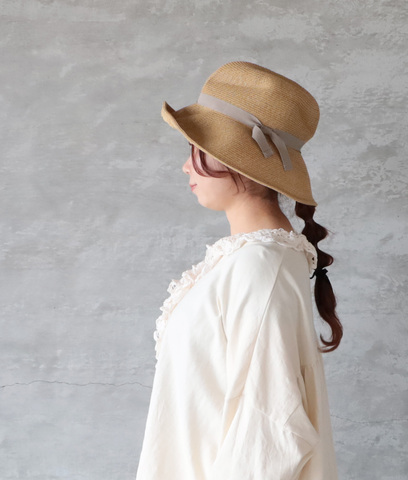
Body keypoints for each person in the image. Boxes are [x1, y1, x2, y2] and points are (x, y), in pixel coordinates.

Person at [136, 61, 342, 480]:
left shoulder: (259, 265)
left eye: (196, 148)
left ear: (237, 159)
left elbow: (272, 428)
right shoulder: (248, 260)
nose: (186, 166)